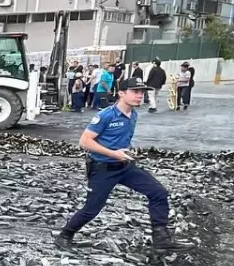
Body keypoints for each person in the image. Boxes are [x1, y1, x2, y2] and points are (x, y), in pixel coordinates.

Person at [55, 77, 190, 252]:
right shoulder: (106, 115)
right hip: (103, 169)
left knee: (158, 193)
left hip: (125, 167)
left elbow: (120, 140)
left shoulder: (133, 114)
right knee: (92, 208)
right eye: (135, 92)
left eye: (142, 92)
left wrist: (129, 151)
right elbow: (85, 142)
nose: (140, 96)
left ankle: (161, 238)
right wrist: (114, 154)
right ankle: (65, 235)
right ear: (121, 93)